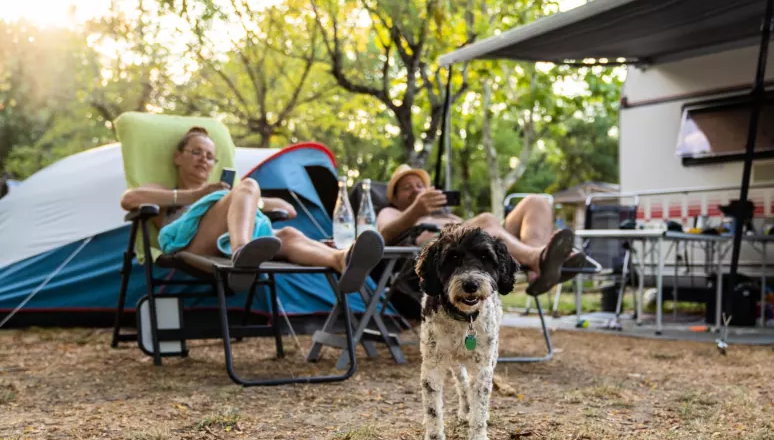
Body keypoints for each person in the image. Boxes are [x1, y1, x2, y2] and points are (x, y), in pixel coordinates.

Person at [120, 127, 383, 291]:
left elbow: (286, 209)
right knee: (247, 186)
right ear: (178, 157)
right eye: (196, 152)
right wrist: (197, 195)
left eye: (210, 156)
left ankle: (341, 260)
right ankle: (241, 253)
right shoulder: (165, 189)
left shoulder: (224, 192)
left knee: (289, 233)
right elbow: (130, 199)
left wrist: (245, 198)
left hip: (229, 235)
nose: (204, 159)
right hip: (190, 246)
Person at [376, 164, 582, 295]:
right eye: (407, 188)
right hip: (452, 255)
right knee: (486, 220)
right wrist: (415, 211)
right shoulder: (391, 211)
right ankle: (539, 261)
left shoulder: (442, 213)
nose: (416, 191)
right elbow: (384, 234)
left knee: (536, 202)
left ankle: (538, 266)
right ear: (394, 197)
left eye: (420, 185)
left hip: (486, 248)